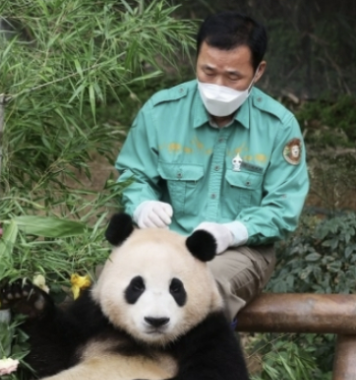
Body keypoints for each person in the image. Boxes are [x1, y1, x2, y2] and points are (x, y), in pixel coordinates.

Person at [115, 11, 309, 320]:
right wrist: (141, 205)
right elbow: (133, 173)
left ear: (258, 72)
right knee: (115, 283)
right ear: (196, 61)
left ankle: (200, 368)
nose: (218, 84)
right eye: (208, 71)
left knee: (199, 288)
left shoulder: (279, 127)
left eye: (233, 76)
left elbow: (283, 208)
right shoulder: (161, 112)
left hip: (242, 250)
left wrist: (233, 232)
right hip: (165, 243)